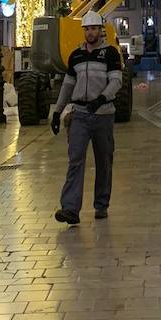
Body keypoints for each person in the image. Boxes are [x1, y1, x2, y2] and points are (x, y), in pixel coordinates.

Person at [51, 11, 123, 224]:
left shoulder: (110, 54)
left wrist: (101, 99)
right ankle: (70, 209)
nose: (90, 32)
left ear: (101, 31)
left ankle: (101, 205)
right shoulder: (76, 56)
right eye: (87, 29)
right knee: (75, 160)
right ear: (84, 31)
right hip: (80, 115)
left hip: (103, 116)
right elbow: (67, 86)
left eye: (94, 28)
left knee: (104, 161)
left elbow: (116, 81)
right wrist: (57, 111)